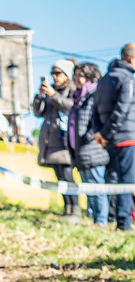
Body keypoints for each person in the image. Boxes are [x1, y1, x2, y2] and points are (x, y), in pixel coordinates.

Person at [93, 43, 135, 232]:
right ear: (132, 59)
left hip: (107, 140)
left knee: (112, 179)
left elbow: (94, 111)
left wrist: (101, 134)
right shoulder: (128, 79)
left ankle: (113, 218)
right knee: (127, 181)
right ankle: (124, 223)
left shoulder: (103, 79)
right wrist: (106, 133)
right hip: (127, 137)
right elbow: (122, 109)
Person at [33, 59, 79, 220]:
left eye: (58, 73)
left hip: (64, 141)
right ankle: (67, 209)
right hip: (50, 140)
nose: (55, 77)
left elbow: (70, 107)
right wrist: (40, 96)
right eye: (53, 73)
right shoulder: (50, 90)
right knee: (60, 178)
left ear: (66, 74)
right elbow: (38, 112)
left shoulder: (72, 89)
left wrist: (53, 95)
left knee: (68, 177)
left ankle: (75, 210)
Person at [68, 62, 109, 228]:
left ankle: (101, 221)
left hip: (93, 149)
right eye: (76, 75)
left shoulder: (95, 95)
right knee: (88, 187)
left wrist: (87, 136)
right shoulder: (78, 97)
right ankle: (93, 219)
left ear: (91, 76)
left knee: (97, 187)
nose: (77, 79)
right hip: (81, 150)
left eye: (81, 75)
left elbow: (97, 120)